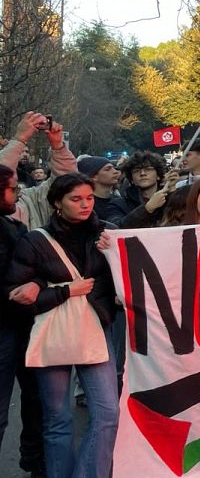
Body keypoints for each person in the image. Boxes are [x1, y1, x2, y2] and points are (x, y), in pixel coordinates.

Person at [7, 173, 119, 478]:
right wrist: (63, 290)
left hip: (95, 328)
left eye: (90, 197)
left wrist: (115, 254)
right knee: (57, 418)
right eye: (76, 198)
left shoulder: (108, 234)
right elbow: (17, 294)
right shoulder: (35, 240)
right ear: (57, 203)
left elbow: (118, 283)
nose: (85, 204)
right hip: (52, 331)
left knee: (108, 412)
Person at [0, 164, 45, 477]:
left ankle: (34, 461)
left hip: (25, 325)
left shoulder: (13, 225)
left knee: (36, 399)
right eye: (13, 189)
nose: (18, 195)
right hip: (5, 329)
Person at [78, 157, 129, 225]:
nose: (115, 171)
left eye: (113, 168)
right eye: (108, 169)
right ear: (94, 176)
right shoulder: (86, 204)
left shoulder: (118, 200)